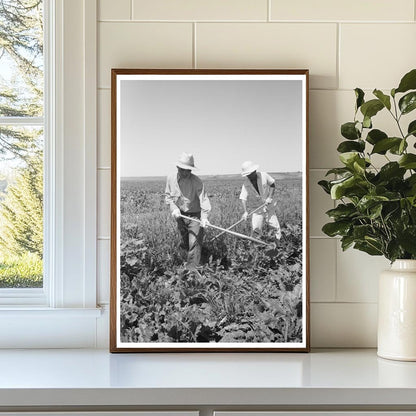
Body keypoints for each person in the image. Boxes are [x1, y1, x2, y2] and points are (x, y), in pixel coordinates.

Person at [165, 152, 211, 267]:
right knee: (185, 241)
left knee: (194, 243)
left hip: (195, 216)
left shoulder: (197, 181)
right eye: (182, 169)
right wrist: (174, 208)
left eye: (188, 170)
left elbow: (204, 200)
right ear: (177, 167)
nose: (185, 172)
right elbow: (168, 197)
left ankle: (192, 272)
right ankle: (190, 261)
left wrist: (204, 218)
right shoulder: (171, 178)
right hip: (180, 215)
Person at [239, 160, 281, 240]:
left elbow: (272, 184)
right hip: (256, 208)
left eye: (250, 174)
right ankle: (258, 246)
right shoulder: (246, 184)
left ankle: (278, 244)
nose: (249, 176)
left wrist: (270, 197)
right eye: (247, 175)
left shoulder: (264, 175)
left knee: (275, 226)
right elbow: (243, 198)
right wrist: (245, 211)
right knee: (256, 229)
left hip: (269, 205)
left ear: (254, 171)